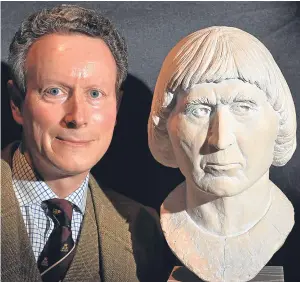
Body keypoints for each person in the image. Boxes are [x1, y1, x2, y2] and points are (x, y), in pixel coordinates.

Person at [2, 5, 167, 282]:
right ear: (17, 104)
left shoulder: (144, 230)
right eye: (54, 91)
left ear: (117, 107)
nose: (77, 117)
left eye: (95, 93)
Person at [148, 26, 297, 281]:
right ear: (165, 125)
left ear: (280, 121)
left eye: (243, 107)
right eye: (199, 110)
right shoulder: (142, 230)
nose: (221, 139)